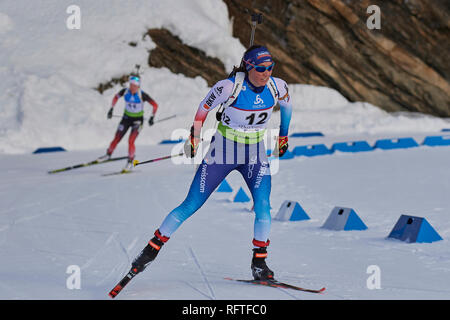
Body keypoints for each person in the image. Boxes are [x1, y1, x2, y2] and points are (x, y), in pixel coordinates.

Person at [130, 45, 292, 280]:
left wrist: (283, 135)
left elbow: (287, 106)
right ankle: (148, 252)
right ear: (248, 66)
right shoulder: (228, 87)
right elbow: (203, 109)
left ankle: (259, 263)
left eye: (270, 68)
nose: (266, 73)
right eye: (260, 68)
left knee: (264, 207)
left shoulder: (278, 86)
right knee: (191, 204)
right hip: (223, 152)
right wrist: (194, 137)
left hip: (255, 155)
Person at [98, 75, 159, 171]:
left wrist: (152, 117)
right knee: (116, 138)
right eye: (131, 85)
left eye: (134, 86)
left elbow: (155, 105)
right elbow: (115, 97)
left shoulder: (142, 95)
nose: (132, 87)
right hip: (126, 119)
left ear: (138, 86)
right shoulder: (125, 91)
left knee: (131, 141)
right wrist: (111, 109)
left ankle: (130, 161)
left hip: (138, 121)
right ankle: (108, 154)